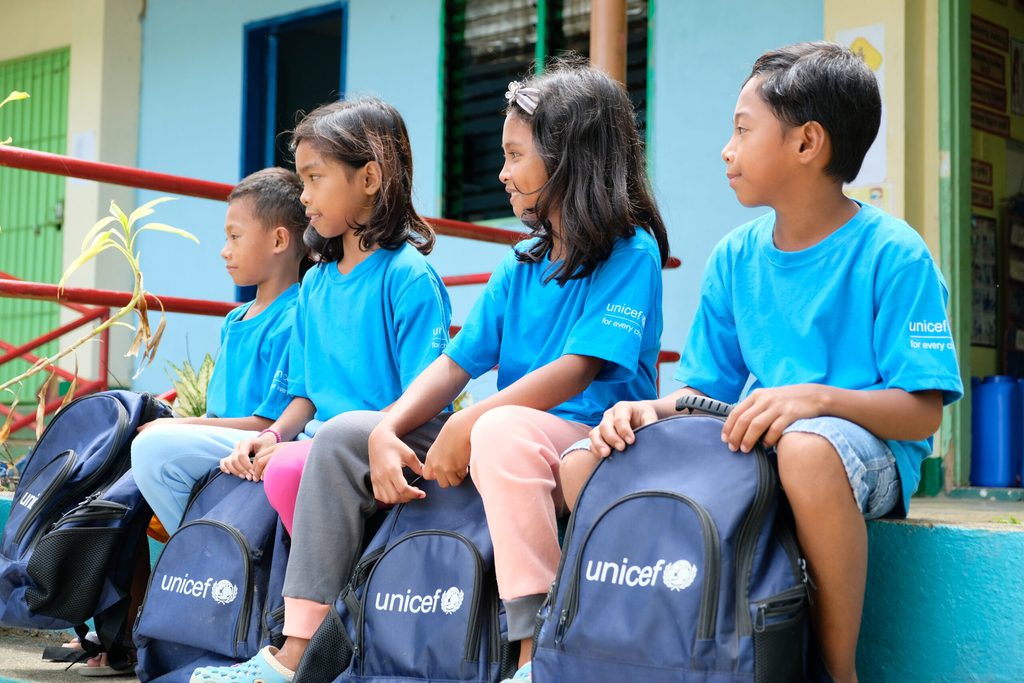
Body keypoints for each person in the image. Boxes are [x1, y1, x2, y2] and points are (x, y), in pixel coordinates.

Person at [190, 60, 669, 683]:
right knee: (342, 439)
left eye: (516, 155)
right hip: (506, 435)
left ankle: (533, 656)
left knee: (499, 433)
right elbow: (453, 363)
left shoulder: (630, 252)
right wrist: (389, 430)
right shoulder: (523, 262)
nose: (501, 171)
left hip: (586, 435)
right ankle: (300, 648)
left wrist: (471, 422)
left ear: (570, 156)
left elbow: (578, 371)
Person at [588, 42, 963, 683]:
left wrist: (815, 398)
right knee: (597, 458)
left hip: (862, 452)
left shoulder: (894, 254)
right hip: (769, 436)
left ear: (807, 143)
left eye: (742, 130)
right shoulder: (734, 257)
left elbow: (921, 410)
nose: (727, 150)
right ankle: (665, 654)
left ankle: (835, 672)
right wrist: (641, 412)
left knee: (806, 449)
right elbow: (705, 391)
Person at [133, 99, 451, 538]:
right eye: (302, 180)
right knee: (156, 451)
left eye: (315, 178)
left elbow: (429, 399)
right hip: (306, 444)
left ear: (370, 179)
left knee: (282, 470)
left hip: (366, 449)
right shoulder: (316, 285)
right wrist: (274, 437)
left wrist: (292, 448)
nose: (304, 196)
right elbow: (304, 397)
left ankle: (281, 591)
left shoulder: (408, 278)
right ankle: (217, 565)